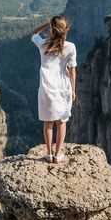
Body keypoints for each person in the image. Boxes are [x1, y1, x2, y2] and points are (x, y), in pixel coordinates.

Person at [30, 16, 77, 163]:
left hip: (46, 87)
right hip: (63, 87)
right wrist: (73, 90)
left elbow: (33, 33)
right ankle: (58, 155)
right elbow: (72, 70)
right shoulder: (70, 47)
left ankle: (49, 154)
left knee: (48, 121)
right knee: (61, 121)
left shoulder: (43, 44)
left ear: (52, 29)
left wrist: (46, 24)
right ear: (65, 30)